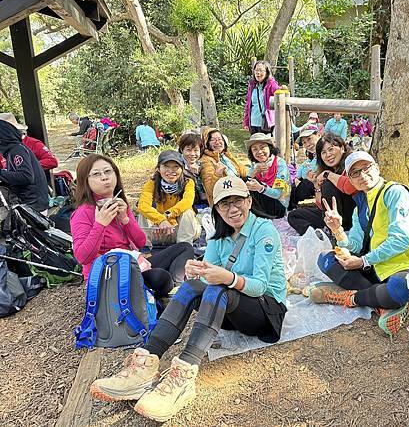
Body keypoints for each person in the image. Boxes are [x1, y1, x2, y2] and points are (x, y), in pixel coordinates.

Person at [89, 175, 287, 422]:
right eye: (225, 204)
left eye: (238, 201)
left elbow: (259, 287)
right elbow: (207, 281)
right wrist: (199, 272)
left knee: (218, 288)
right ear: (217, 209)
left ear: (249, 201)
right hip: (230, 307)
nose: (233, 209)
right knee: (191, 286)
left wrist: (225, 276)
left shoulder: (263, 231)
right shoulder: (219, 237)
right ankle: (146, 364)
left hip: (266, 311)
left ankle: (184, 375)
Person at [310, 151, 409, 336]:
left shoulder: (395, 193)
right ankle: (383, 304)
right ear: (350, 179)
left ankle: (349, 297)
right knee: (325, 259)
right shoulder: (361, 207)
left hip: (405, 265)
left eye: (366, 168)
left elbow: (401, 240)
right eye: (355, 173)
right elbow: (356, 245)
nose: (362, 176)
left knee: (400, 288)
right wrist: (337, 230)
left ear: (377, 168)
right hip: (377, 266)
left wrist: (363, 261)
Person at [70, 154, 194, 290]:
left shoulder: (120, 204)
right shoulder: (83, 213)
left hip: (132, 265)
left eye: (107, 171)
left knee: (185, 247)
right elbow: (83, 257)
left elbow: (140, 242)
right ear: (85, 181)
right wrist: (100, 224)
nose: (104, 177)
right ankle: (170, 287)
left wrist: (125, 219)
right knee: (161, 277)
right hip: (108, 275)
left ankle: (178, 284)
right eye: (96, 174)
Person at [287, 133, 356, 235]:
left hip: (351, 216)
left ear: (342, 148)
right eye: (323, 152)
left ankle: (333, 231)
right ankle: (316, 234)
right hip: (331, 216)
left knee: (328, 185)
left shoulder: (351, 162)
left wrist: (327, 174)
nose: (328, 155)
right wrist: (316, 185)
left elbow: (350, 187)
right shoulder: (327, 169)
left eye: (331, 149)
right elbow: (321, 206)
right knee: (294, 215)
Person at [138, 150, 201, 245]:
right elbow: (143, 205)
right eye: (166, 166)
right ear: (158, 169)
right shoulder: (151, 184)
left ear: (182, 169)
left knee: (187, 211)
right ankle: (145, 249)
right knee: (142, 213)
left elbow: (187, 202)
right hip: (160, 232)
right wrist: (160, 220)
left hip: (182, 231)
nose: (171, 171)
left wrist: (167, 216)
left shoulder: (188, 182)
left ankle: (184, 248)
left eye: (176, 167)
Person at [0, 113, 49, 214]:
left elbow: (25, 176)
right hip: (33, 204)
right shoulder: (13, 150)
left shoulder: (16, 150)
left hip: (34, 207)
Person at [0, 115, 58, 184]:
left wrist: (30, 165)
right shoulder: (4, 147)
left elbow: (52, 161)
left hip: (33, 187)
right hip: (12, 188)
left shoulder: (33, 143)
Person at [245, 133, 290, 218]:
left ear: (270, 148)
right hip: (261, 205)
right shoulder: (255, 166)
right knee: (246, 181)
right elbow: (245, 184)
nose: (259, 152)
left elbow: (278, 194)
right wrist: (254, 172)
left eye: (262, 147)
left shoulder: (280, 164)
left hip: (278, 205)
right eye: (255, 149)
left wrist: (260, 188)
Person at [199, 128, 247, 206]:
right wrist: (217, 174)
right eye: (213, 140)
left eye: (219, 139)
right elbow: (210, 190)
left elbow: (243, 172)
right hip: (224, 200)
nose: (217, 142)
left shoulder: (226, 155)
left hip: (238, 190)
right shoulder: (206, 161)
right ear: (207, 143)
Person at [243, 60, 280, 134]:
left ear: (267, 73)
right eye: (256, 70)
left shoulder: (271, 84)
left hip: (266, 123)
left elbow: (279, 93)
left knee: (266, 144)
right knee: (255, 144)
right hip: (253, 123)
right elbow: (248, 105)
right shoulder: (252, 85)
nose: (258, 73)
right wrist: (246, 121)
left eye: (261, 70)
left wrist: (283, 89)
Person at [289, 125, 320, 209]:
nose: (308, 144)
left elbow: (310, 172)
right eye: (304, 142)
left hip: (321, 185)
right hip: (313, 182)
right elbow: (303, 169)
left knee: (306, 183)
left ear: (319, 135)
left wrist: (301, 176)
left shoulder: (323, 152)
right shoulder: (312, 155)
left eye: (309, 139)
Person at [178, 131, 208, 207]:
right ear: (182, 150)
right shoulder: (177, 165)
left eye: (196, 150)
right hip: (183, 203)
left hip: (205, 202)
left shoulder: (203, 164)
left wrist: (201, 173)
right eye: (188, 150)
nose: (192, 154)